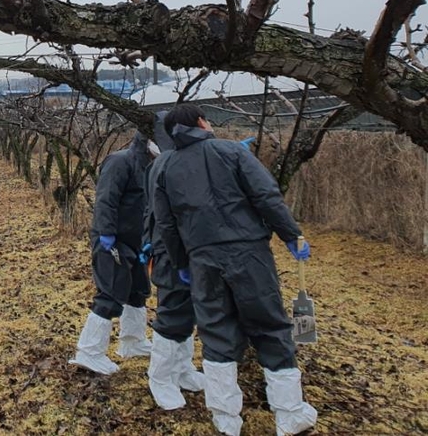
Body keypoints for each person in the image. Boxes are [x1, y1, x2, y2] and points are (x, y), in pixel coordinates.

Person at [152, 104, 318, 436]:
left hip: (201, 261)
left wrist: (182, 263)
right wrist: (291, 235)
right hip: (248, 253)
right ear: (201, 121)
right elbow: (266, 196)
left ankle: (226, 419)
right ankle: (289, 414)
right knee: (270, 326)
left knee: (215, 330)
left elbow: (166, 224)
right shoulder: (230, 151)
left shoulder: (164, 166)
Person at [69, 127, 153, 375]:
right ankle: (89, 351)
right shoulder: (120, 161)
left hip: (135, 241)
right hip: (113, 240)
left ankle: (132, 342)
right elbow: (106, 199)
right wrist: (106, 233)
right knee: (111, 292)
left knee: (137, 291)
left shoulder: (154, 166)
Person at [141, 112, 205, 410]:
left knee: (188, 313)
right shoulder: (165, 165)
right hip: (171, 254)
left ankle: (183, 370)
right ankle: (160, 376)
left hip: (192, 252)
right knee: (173, 313)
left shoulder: (179, 161)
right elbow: (158, 216)